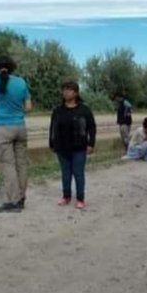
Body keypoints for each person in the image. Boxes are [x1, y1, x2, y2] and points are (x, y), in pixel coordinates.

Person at [0, 56, 33, 213]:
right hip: (20, 127)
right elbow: (29, 107)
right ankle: (22, 197)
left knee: (8, 165)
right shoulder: (21, 82)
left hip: (3, 127)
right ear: (13, 68)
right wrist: (17, 112)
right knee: (22, 164)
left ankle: (13, 201)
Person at [49, 81, 97, 209]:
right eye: (64, 89)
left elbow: (92, 127)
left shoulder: (84, 110)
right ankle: (66, 196)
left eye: (69, 90)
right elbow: (52, 127)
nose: (65, 92)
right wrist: (52, 143)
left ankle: (80, 199)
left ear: (75, 93)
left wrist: (91, 144)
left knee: (78, 173)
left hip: (79, 147)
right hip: (62, 147)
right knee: (65, 173)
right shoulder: (58, 110)